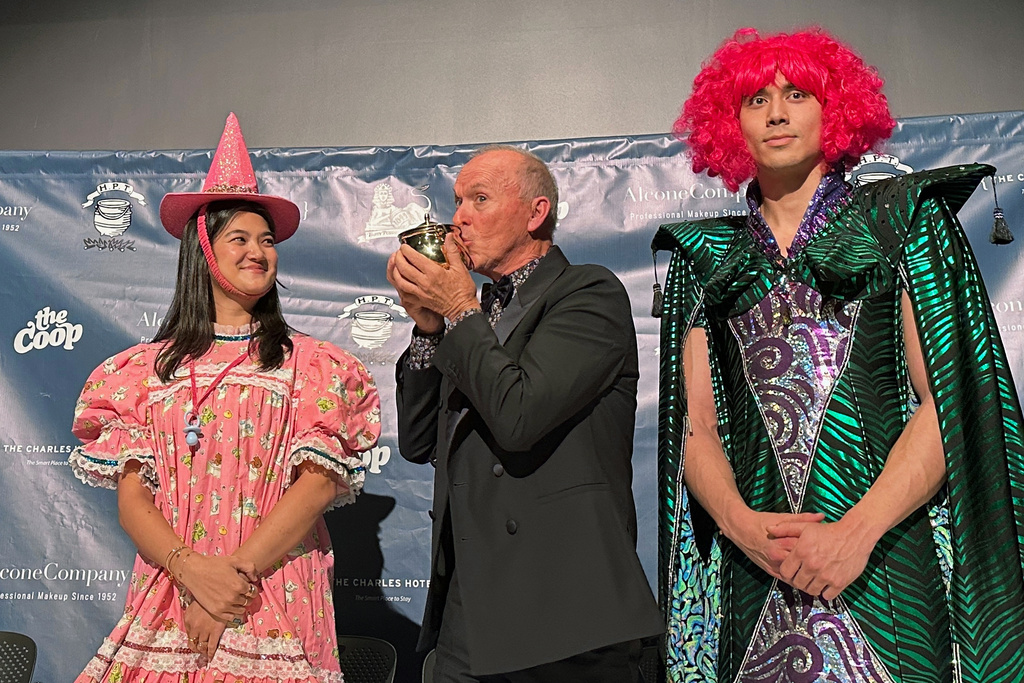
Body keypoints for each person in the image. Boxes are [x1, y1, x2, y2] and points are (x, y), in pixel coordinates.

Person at [652, 27, 1024, 683]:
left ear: (838, 110)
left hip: (885, 565)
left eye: (797, 94)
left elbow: (945, 404)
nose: (775, 113)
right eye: (755, 100)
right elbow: (697, 427)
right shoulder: (705, 257)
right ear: (729, 125)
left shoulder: (902, 220)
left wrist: (855, 533)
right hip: (755, 575)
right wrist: (742, 527)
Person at [68, 113, 381, 683]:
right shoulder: (140, 373)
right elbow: (133, 499)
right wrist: (193, 573)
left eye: (267, 241)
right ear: (204, 251)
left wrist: (229, 584)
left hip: (271, 589)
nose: (258, 251)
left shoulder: (313, 366)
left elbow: (316, 486)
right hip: (172, 589)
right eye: (240, 238)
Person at [387, 145, 662, 682]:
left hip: (561, 612)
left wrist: (458, 309)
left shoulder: (587, 293)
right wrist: (427, 328)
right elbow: (418, 441)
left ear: (536, 213)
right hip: (469, 615)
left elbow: (519, 416)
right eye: (457, 201)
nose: (459, 218)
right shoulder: (474, 314)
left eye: (479, 199)